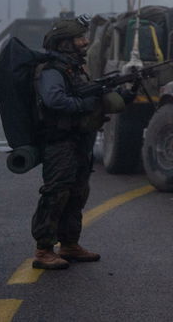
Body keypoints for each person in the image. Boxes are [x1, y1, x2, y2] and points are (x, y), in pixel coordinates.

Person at [30, 16, 131, 270]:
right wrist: (84, 105)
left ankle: (69, 244)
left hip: (79, 140)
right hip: (60, 141)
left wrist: (121, 96)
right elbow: (55, 100)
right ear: (64, 42)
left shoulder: (76, 68)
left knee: (77, 193)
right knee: (57, 193)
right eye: (79, 38)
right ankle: (44, 249)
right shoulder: (52, 70)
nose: (85, 42)